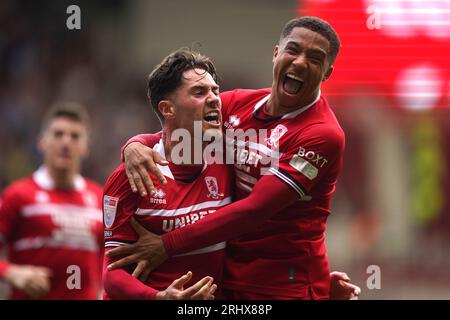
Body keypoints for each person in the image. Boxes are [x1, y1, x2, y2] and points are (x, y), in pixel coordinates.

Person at [109, 16, 361, 300]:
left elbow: (254, 210)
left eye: (315, 59)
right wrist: (135, 144)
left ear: (327, 72)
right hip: (230, 278)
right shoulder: (238, 104)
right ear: (276, 54)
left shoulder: (322, 135)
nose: (301, 62)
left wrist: (166, 245)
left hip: (284, 284)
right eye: (293, 50)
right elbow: (183, 126)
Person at [102, 48, 231, 300]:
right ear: (168, 109)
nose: (215, 98)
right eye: (199, 92)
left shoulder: (229, 161)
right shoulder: (131, 176)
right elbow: (111, 275)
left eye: (215, 90)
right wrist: (159, 298)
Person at [0, 102, 104, 299]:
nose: (66, 142)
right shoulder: (18, 195)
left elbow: (106, 259)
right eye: (58, 134)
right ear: (42, 142)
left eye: (75, 136)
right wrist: (12, 273)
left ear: (85, 147)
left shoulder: (99, 199)